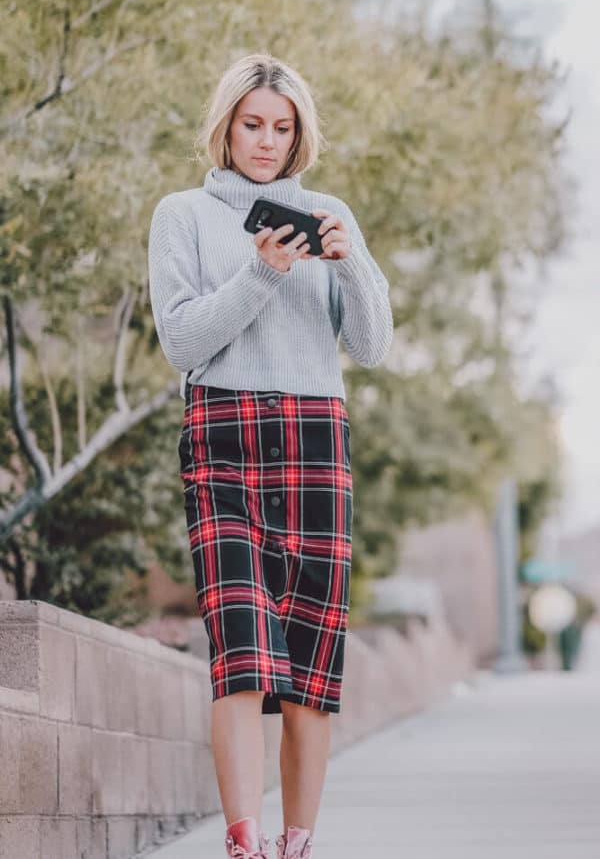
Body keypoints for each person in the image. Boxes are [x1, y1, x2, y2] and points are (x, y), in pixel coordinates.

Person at [147, 53, 393, 859]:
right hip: (223, 435)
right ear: (226, 124)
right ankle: (244, 842)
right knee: (243, 651)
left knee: (311, 663)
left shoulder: (329, 212)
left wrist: (347, 259)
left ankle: (297, 842)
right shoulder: (182, 214)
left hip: (316, 438)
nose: (266, 141)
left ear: (299, 135)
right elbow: (182, 340)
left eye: (281, 127)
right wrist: (261, 273)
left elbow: (373, 343)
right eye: (253, 124)